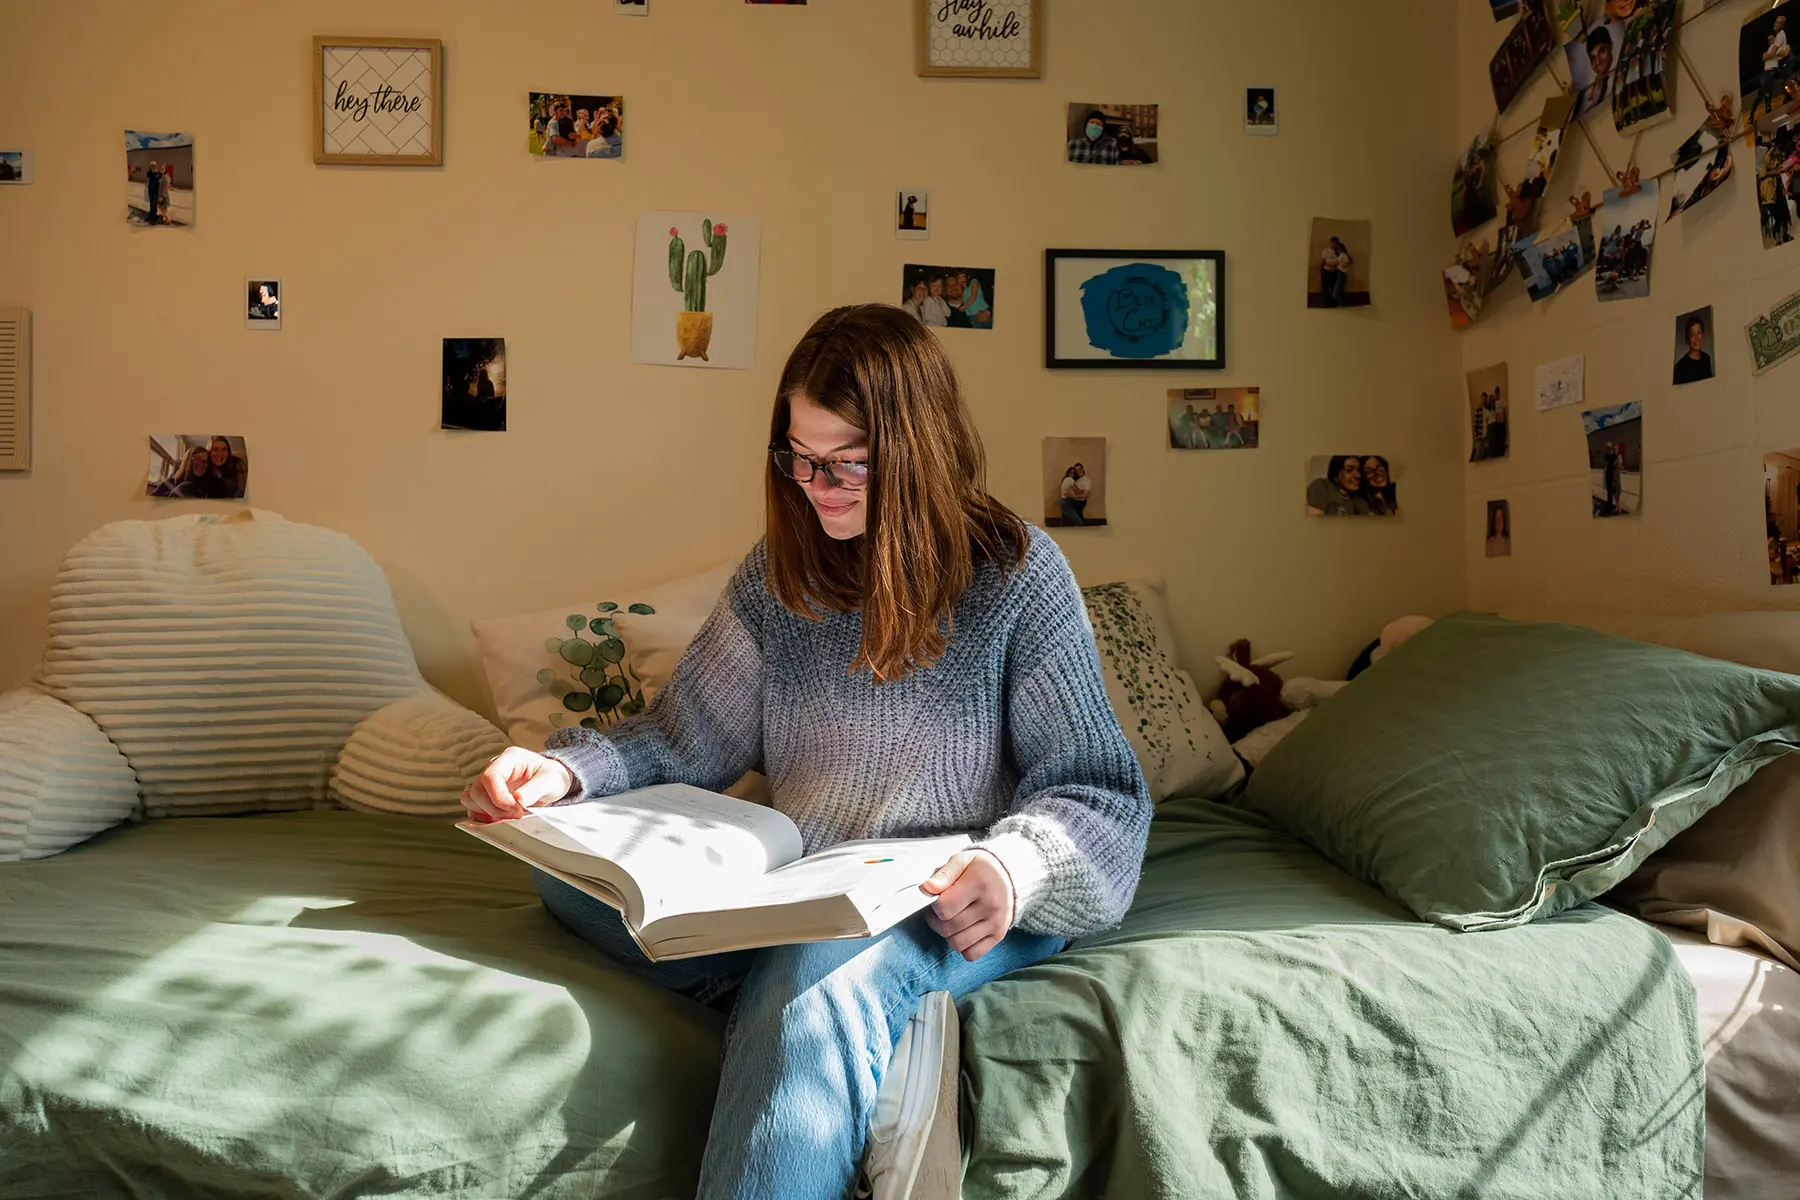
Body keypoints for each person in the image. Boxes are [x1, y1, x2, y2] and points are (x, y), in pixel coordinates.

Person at [459, 304, 1150, 1200]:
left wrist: (1013, 868)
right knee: (571, 876)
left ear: (917, 452)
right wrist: (564, 773)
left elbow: (1100, 793)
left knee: (809, 973)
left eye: (847, 463)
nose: (816, 486)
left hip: (955, 901)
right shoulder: (782, 573)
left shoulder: (1019, 576)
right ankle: (866, 1031)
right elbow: (688, 735)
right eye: (799, 457)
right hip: (810, 886)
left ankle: (830, 1012)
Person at [1306, 456, 1371, 515]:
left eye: (1359, 470)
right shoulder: (1322, 486)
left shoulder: (1358, 498)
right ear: (1335, 474)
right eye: (1349, 470)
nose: (1358, 475)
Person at [1578, 25, 1615, 115]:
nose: (1597, 62)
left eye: (1601, 51)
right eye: (1592, 58)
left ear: (1611, 46)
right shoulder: (1593, 87)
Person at [1673, 314, 1713, 384]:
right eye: (1692, 334)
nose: (1696, 338)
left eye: (1699, 333)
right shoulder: (1680, 367)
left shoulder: (1706, 358)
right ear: (1688, 339)